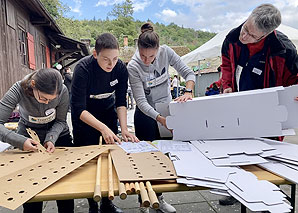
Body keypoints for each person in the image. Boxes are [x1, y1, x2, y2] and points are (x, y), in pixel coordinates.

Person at [220, 3, 298, 206]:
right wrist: (227, 85)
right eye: (246, 28)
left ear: (266, 35)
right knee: (238, 151)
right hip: (240, 106)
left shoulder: (284, 49)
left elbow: (295, 79)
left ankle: (271, 196)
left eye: (251, 35)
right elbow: (226, 65)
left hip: (270, 112)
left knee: (269, 157)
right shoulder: (232, 38)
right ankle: (237, 191)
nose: (244, 36)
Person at [127, 22, 195, 213]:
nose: (147, 60)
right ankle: (144, 200)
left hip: (166, 108)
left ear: (158, 50)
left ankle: (159, 199)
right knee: (145, 158)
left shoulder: (166, 52)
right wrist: (159, 118)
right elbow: (140, 101)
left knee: (162, 157)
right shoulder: (133, 66)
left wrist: (188, 91)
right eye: (143, 56)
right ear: (138, 50)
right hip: (146, 114)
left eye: (151, 56)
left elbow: (188, 73)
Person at [71, 33, 139, 213]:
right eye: (106, 59)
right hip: (85, 116)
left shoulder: (120, 69)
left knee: (110, 157)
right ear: (95, 54)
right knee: (90, 161)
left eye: (115, 58)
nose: (111, 64)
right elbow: (78, 109)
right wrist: (102, 128)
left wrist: (124, 129)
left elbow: (121, 102)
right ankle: (93, 204)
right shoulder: (83, 69)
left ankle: (108, 203)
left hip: (108, 112)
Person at [0, 68, 74, 213]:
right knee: (30, 191)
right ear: (33, 84)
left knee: (64, 188)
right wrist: (20, 141)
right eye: (43, 98)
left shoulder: (63, 90)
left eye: (51, 100)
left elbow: (60, 121)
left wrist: (51, 139)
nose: (47, 103)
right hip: (27, 135)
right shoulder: (18, 89)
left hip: (58, 136)